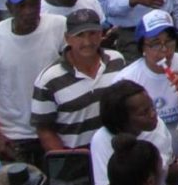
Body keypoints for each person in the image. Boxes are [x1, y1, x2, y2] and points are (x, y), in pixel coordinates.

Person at [0, 0, 66, 165]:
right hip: (15, 136)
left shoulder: (58, 25)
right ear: (9, 7)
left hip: (57, 127)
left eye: (34, 3)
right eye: (21, 5)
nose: (29, 11)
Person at [31, 8, 126, 150]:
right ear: (67, 38)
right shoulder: (48, 80)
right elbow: (44, 129)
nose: (87, 42)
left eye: (92, 33)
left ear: (101, 33)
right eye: (79, 35)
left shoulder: (117, 61)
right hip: (75, 161)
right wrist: (65, 160)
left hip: (117, 153)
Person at [113, 10, 178, 134]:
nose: (164, 49)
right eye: (156, 44)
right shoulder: (126, 80)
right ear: (142, 47)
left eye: (169, 41)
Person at [90, 81, 178, 185]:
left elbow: (166, 171)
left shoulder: (157, 124)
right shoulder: (101, 139)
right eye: (144, 112)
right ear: (122, 119)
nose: (153, 114)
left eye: (152, 106)